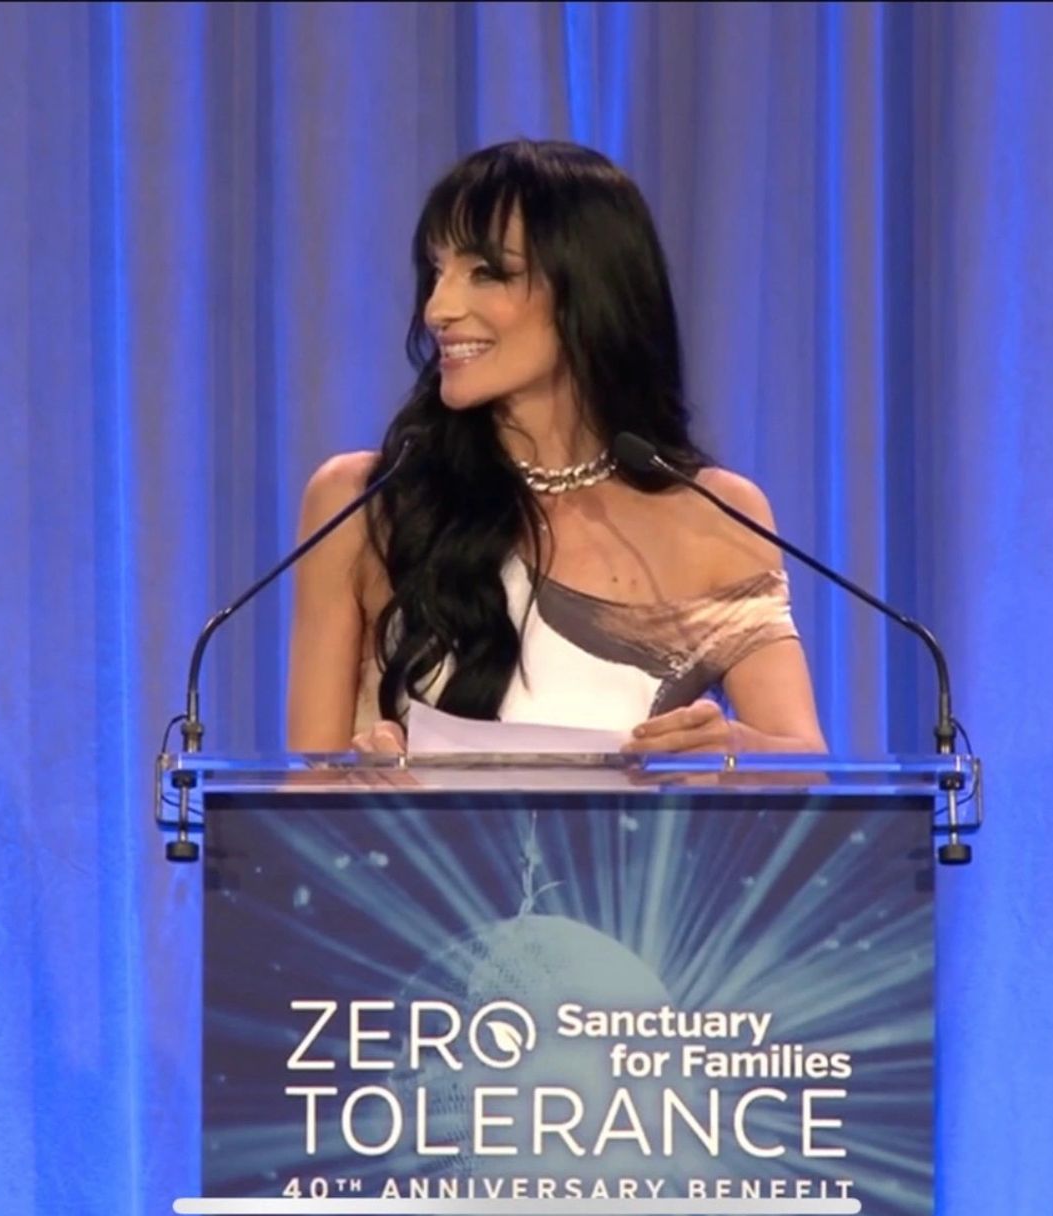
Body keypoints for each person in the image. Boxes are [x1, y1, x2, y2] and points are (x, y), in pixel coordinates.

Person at [285, 138, 826, 758]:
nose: (439, 308)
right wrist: (364, 792)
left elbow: (804, 766)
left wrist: (730, 753)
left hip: (641, 859)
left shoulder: (717, 515)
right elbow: (303, 794)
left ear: (588, 293)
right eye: (437, 271)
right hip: (411, 858)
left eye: (486, 272)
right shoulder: (365, 503)